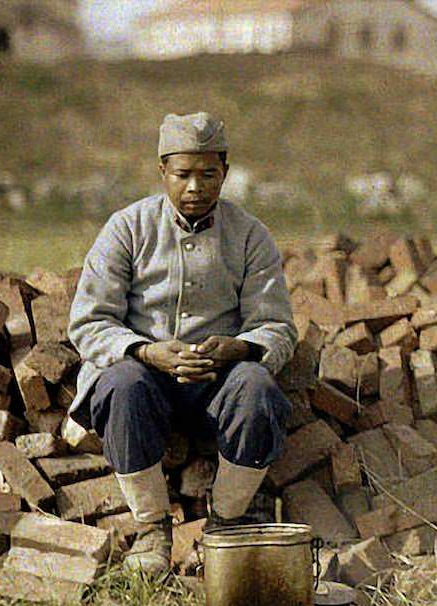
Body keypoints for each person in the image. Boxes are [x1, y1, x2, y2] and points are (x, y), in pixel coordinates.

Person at [67, 112, 297, 576]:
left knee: (256, 387)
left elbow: (276, 326)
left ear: (225, 174)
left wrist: (235, 349)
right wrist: (147, 352)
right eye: (183, 174)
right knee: (120, 384)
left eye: (208, 174)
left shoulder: (250, 235)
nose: (195, 187)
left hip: (217, 384)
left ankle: (226, 526)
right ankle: (152, 530)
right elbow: (89, 321)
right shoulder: (127, 228)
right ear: (162, 173)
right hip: (147, 380)